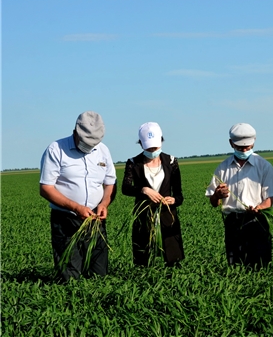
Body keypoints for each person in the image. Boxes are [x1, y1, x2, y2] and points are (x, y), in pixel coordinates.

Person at [39, 111, 117, 281]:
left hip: (96, 221)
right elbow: (46, 188)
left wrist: (104, 203)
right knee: (69, 277)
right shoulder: (56, 149)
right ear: (75, 132)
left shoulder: (103, 151)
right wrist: (75, 207)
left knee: (99, 275)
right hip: (66, 219)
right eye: (86, 142)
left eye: (94, 143)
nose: (90, 147)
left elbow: (110, 182)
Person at [206, 123, 273, 269]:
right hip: (233, 221)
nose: (244, 150)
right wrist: (217, 195)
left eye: (248, 147)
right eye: (240, 147)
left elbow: (271, 198)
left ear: (253, 142)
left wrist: (259, 207)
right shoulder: (223, 168)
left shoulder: (264, 166)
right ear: (231, 143)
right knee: (235, 264)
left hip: (257, 220)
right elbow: (213, 202)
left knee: (259, 263)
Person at [122, 122, 185, 267]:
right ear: (141, 145)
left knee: (172, 260)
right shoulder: (133, 163)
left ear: (161, 141)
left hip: (168, 218)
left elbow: (179, 196)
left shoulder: (171, 162)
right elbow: (125, 188)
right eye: (148, 148)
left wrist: (173, 200)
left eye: (155, 147)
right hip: (143, 216)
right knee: (143, 260)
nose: (152, 150)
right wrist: (143, 190)